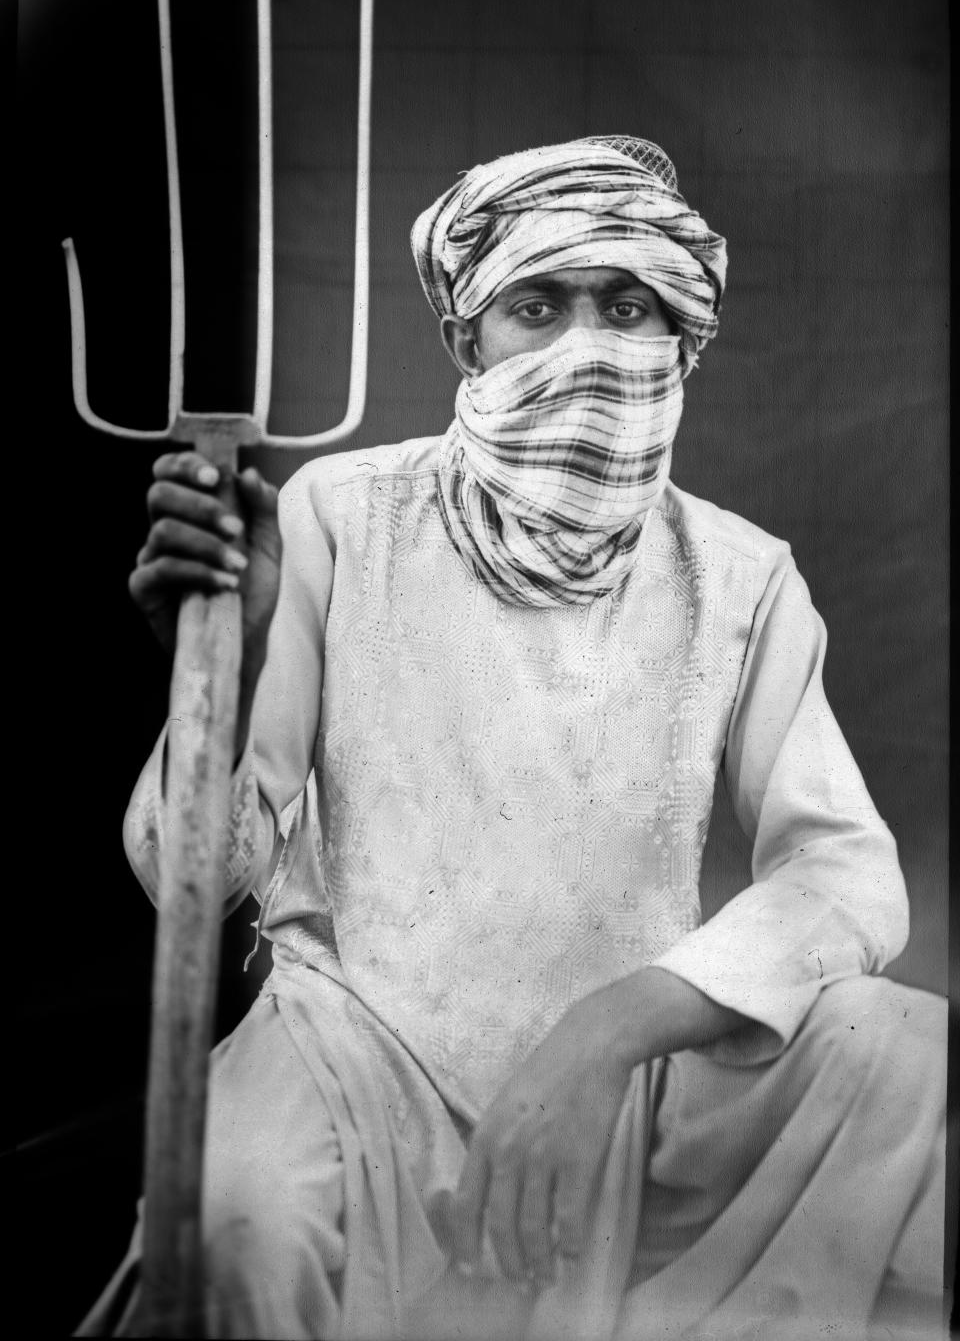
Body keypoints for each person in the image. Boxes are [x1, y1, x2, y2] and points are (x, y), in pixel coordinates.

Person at [79, 136, 948, 1341]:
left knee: (897, 1047)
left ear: (681, 337)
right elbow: (199, 872)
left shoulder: (742, 580)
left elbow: (847, 877)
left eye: (627, 305)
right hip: (358, 1051)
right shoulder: (342, 518)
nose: (585, 345)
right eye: (536, 306)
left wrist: (605, 1032)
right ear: (464, 340)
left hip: (630, 1097)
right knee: (235, 1218)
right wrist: (225, 652)